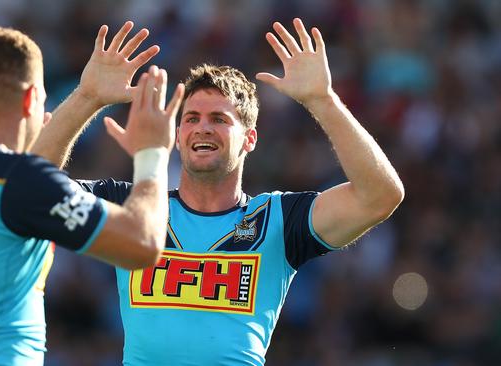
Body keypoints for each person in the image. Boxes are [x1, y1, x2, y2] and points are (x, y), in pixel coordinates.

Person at [43, 18, 405, 365]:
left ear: (250, 139)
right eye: (191, 118)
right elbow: (32, 191)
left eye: (218, 119)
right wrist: (86, 97)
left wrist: (322, 100)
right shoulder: (135, 205)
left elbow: (380, 196)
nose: (202, 128)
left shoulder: (277, 220)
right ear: (177, 136)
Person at [0, 23, 184, 365]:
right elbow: (142, 244)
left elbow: (25, 188)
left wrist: (87, 97)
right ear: (31, 99)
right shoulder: (13, 183)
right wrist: (153, 153)